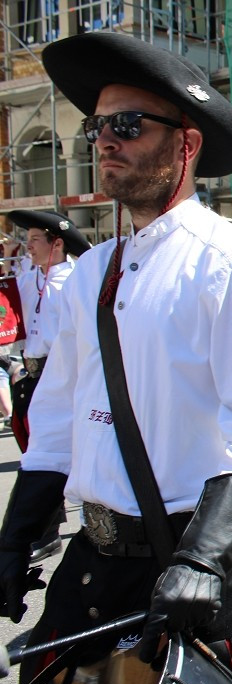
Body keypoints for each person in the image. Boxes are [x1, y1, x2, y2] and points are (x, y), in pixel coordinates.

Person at [0, 32, 232, 684]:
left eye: (128, 125)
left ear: (185, 145)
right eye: (98, 126)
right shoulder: (90, 274)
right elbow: (54, 418)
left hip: (191, 567)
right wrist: (17, 532)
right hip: (93, 565)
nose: (105, 139)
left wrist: (201, 558)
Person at [4, 210, 91, 564]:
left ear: (57, 244)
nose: (28, 245)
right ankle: (47, 530)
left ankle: (75, 525)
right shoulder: (27, 279)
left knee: (70, 450)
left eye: (35, 239)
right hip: (31, 375)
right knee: (33, 450)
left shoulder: (74, 281)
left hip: (65, 377)